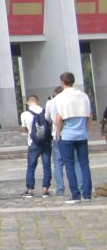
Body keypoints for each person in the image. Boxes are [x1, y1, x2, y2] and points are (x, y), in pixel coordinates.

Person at [48, 72, 94, 204]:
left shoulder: (61, 97)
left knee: (69, 165)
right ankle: (87, 194)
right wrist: (86, 130)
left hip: (67, 135)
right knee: (84, 164)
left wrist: (57, 131)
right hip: (82, 134)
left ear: (62, 82)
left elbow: (59, 117)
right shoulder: (83, 96)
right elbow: (89, 116)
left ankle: (75, 195)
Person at [22, 94, 54, 198]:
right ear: (37, 101)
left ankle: (30, 190)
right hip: (46, 142)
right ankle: (45, 190)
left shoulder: (24, 114)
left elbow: (25, 129)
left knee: (31, 167)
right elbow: (49, 124)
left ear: (27, 103)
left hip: (33, 143)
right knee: (46, 165)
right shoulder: (45, 111)